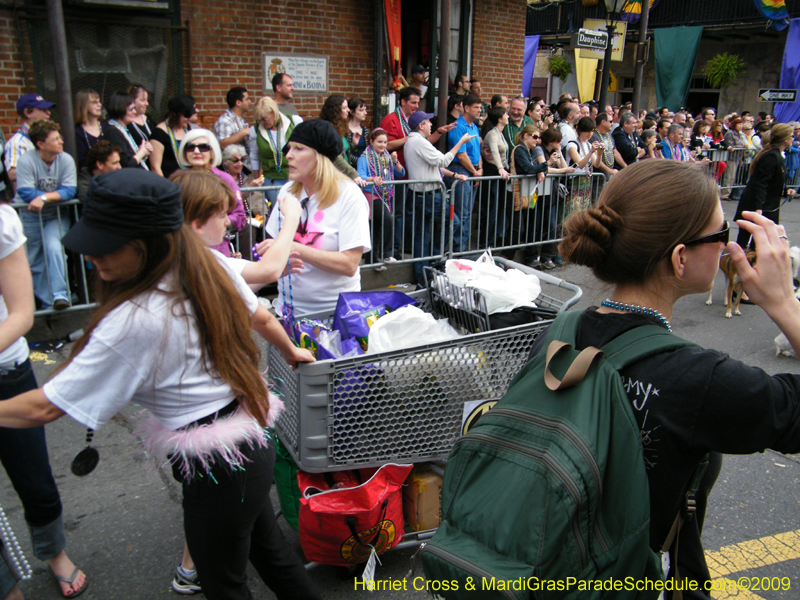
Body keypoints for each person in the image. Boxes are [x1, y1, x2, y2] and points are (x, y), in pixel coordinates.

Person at [0, 168, 320, 600]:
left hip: (218, 466)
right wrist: (288, 350)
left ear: (144, 246)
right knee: (272, 556)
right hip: (246, 446)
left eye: (105, 246)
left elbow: (43, 408)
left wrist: (287, 350)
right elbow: (260, 316)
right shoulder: (207, 264)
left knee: (224, 583)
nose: (93, 258)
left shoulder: (135, 318)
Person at [548, 157, 800, 598]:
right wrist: (784, 304)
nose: (727, 247)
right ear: (680, 258)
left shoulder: (559, 333)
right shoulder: (699, 380)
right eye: (720, 234)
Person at [0, 202, 87, 600]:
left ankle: (55, 554)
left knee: (33, 475)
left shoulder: (3, 219)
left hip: (7, 369)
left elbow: (20, 314)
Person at [265, 120, 371, 316]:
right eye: (289, 148)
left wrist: (295, 248)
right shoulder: (287, 191)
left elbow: (349, 264)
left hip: (335, 316)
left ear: (320, 157)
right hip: (288, 313)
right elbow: (271, 248)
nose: (288, 155)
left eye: (299, 149)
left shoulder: (349, 195)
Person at [15, 120, 76, 311]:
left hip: (56, 215)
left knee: (54, 248)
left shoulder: (65, 159)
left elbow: (69, 191)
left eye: (60, 137)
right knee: (33, 258)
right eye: (55, 139)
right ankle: (47, 302)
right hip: (30, 216)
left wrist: (43, 197)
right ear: (41, 144)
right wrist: (48, 197)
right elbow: (25, 192)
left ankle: (60, 296)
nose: (61, 141)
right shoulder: (26, 160)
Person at [404, 112, 472, 283]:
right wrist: (460, 143)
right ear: (421, 125)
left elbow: (435, 167)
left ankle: (424, 274)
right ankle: (436, 260)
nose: (431, 125)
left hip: (421, 194)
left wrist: (455, 175)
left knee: (422, 234)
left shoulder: (414, 141)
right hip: (430, 195)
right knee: (452, 223)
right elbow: (443, 161)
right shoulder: (419, 142)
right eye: (428, 122)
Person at [177, 130, 246, 257]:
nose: (196, 151)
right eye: (190, 147)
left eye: (203, 147)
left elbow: (240, 216)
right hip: (185, 247)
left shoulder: (225, 179)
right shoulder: (178, 179)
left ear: (212, 152)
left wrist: (213, 223)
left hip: (217, 249)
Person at [734, 123, 797, 249]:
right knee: (746, 240)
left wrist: (785, 191)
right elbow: (761, 183)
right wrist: (758, 207)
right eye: (791, 136)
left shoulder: (777, 156)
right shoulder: (771, 156)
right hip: (758, 204)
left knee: (760, 242)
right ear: (785, 139)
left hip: (768, 204)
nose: (793, 139)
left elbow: (773, 182)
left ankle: (752, 264)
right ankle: (736, 265)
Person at [356, 128, 404, 269]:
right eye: (379, 142)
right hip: (371, 194)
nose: (382, 145)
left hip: (385, 195)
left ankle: (372, 261)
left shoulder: (387, 158)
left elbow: (400, 174)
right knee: (387, 219)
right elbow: (360, 175)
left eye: (385, 142)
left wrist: (395, 162)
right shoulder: (364, 158)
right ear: (371, 141)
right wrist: (372, 178)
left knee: (375, 228)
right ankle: (387, 254)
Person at [530, 128, 575, 269]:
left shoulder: (555, 152)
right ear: (551, 141)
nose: (560, 142)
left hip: (551, 194)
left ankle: (547, 256)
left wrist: (560, 153)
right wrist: (563, 170)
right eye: (558, 140)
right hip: (538, 193)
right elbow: (545, 168)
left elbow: (564, 166)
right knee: (536, 226)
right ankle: (531, 255)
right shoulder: (539, 150)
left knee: (551, 225)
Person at [249, 95, 299, 208]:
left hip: (293, 177)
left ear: (274, 112)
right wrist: (257, 179)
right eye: (259, 120)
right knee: (278, 211)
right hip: (271, 179)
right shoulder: (255, 130)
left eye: (265, 118)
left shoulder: (294, 121)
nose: (262, 122)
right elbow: (254, 156)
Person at [448, 93, 483, 253]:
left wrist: (479, 169)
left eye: (480, 107)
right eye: (476, 107)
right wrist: (475, 171)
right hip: (462, 170)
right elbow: (461, 155)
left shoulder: (474, 127)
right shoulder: (458, 126)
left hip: (472, 170)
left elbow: (477, 151)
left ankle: (463, 247)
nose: (479, 111)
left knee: (468, 213)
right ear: (466, 107)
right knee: (462, 213)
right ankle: (458, 249)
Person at [509, 125, 548, 264]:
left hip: (525, 193)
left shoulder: (528, 151)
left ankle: (509, 260)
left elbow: (533, 169)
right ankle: (506, 259)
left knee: (520, 228)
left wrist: (542, 169)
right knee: (516, 229)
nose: (537, 140)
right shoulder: (520, 150)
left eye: (539, 137)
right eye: (535, 136)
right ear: (526, 135)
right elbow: (527, 168)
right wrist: (547, 164)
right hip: (516, 193)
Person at [480, 107, 513, 254]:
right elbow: (494, 151)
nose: (507, 116)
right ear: (500, 119)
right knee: (492, 210)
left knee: (500, 208)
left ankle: (495, 240)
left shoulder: (500, 134)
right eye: (506, 114)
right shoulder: (492, 134)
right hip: (493, 173)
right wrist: (500, 168)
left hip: (501, 173)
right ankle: (487, 243)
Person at [5, 94, 54, 190]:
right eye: (43, 110)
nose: (48, 113)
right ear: (27, 112)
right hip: (31, 200)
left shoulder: (50, 137)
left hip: (53, 197)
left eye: (48, 109)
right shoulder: (17, 142)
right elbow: (12, 174)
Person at [318, 94, 364, 183]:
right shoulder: (328, 129)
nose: (348, 110)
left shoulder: (340, 127)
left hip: (342, 177)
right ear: (335, 111)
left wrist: (353, 144)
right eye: (344, 108)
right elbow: (335, 156)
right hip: (332, 179)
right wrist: (353, 174)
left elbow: (342, 151)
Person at [102, 92, 152, 170]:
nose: (134, 112)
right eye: (131, 109)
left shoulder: (123, 128)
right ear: (120, 109)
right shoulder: (113, 132)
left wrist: (143, 150)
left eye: (134, 108)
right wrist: (142, 152)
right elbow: (125, 165)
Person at [150, 95, 196, 179]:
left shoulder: (188, 129)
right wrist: (167, 188)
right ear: (175, 114)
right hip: (169, 182)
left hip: (188, 180)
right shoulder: (159, 133)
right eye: (186, 115)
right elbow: (155, 167)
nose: (189, 118)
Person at [73, 89, 104, 170]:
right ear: (83, 106)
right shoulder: (77, 132)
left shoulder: (107, 127)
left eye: (99, 101)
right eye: (94, 102)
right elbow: (81, 161)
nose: (99, 105)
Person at [125, 84, 157, 151]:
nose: (147, 103)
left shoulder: (149, 119)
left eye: (147, 100)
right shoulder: (127, 123)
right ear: (132, 100)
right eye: (143, 100)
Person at [591, 113, 621, 179]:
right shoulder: (593, 136)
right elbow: (595, 158)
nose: (612, 123)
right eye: (610, 121)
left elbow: (615, 152)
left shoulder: (609, 135)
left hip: (609, 175)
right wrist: (609, 171)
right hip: (598, 178)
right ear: (603, 122)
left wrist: (625, 167)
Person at [346, 97, 369, 166]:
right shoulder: (345, 130)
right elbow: (346, 153)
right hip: (351, 168)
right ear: (352, 112)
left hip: (364, 168)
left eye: (365, 110)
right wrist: (361, 162)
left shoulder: (365, 130)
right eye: (361, 110)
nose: (365, 113)